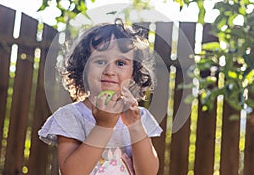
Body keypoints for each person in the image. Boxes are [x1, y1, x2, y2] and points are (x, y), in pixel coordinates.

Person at [38, 18, 163, 175]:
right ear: (84, 68)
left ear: (134, 71)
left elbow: (148, 173)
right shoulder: (71, 116)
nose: (110, 71)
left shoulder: (139, 117)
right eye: (100, 61)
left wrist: (135, 127)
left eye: (120, 63)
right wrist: (104, 126)